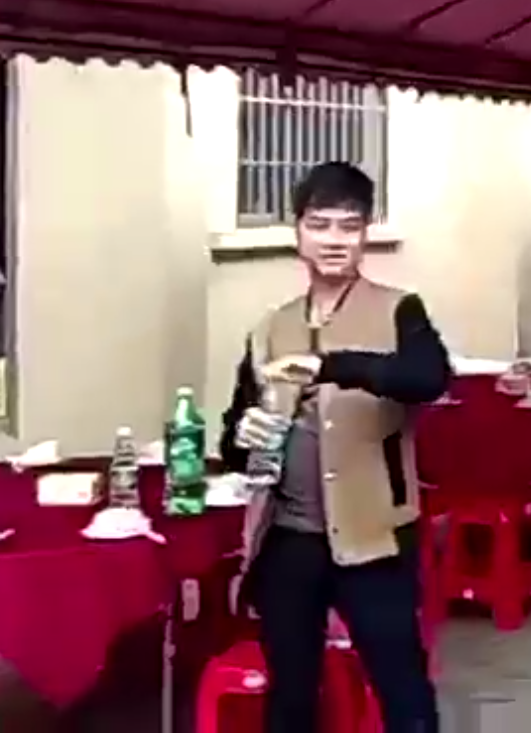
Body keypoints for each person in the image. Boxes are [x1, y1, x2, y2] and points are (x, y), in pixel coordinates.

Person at [220, 162, 451, 733]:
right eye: (319, 224)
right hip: (287, 539)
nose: (333, 239)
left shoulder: (399, 310)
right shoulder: (269, 328)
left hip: (374, 538)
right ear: (297, 231)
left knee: (402, 689)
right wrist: (241, 436)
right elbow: (233, 438)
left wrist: (332, 366)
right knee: (291, 694)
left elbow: (429, 377)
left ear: (366, 233)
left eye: (349, 226)